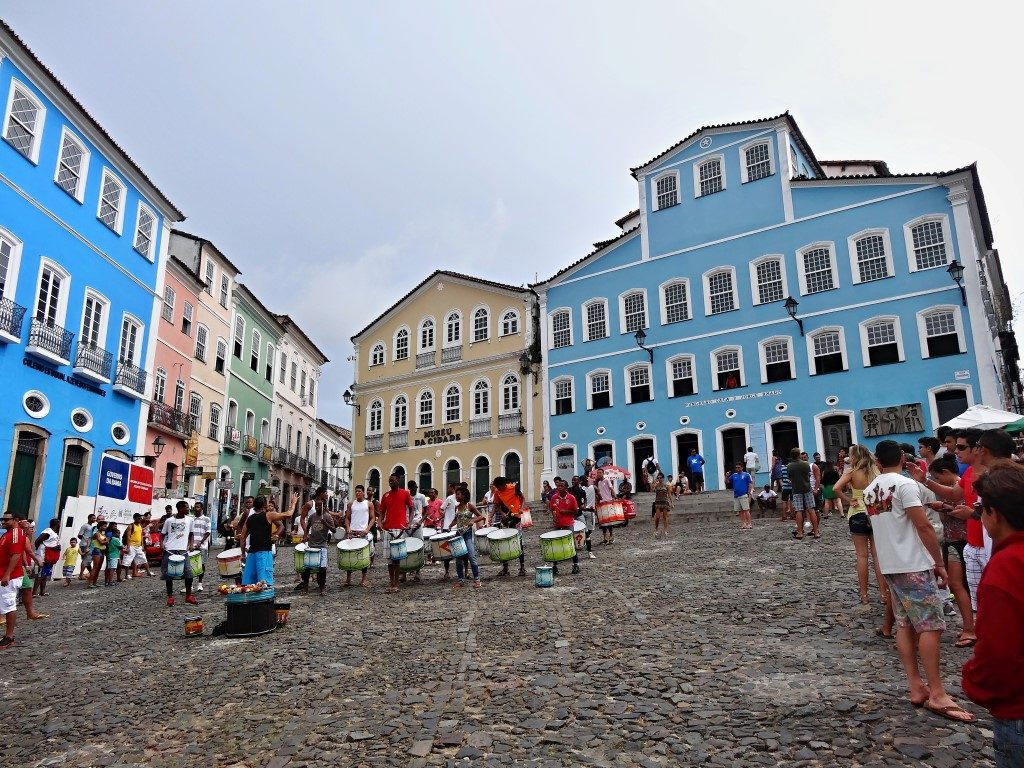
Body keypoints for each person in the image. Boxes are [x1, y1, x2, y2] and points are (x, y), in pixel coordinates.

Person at [866, 439, 974, 723]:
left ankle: (915, 685)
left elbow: (895, 515)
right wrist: (938, 563)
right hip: (913, 561)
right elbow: (922, 524)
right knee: (931, 625)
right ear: (902, 457)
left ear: (878, 462)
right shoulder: (905, 485)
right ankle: (937, 691)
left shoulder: (871, 490)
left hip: (890, 562)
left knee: (905, 624)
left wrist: (929, 499)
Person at [962, 461, 1024, 764]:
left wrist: (974, 682)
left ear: (994, 514)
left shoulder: (1006, 567)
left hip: (1017, 708)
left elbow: (998, 651)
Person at [834, 445, 890, 623]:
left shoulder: (852, 471)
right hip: (874, 512)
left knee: (861, 556)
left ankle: (864, 593)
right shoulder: (876, 470)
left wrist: (848, 500)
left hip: (857, 511)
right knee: (877, 555)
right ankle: (883, 593)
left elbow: (836, 488)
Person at [927, 455, 975, 649]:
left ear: (946, 473)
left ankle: (970, 628)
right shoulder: (948, 490)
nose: (938, 482)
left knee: (957, 584)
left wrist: (944, 507)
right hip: (951, 538)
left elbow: (966, 513)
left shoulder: (960, 488)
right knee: (960, 585)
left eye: (938, 478)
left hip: (961, 539)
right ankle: (969, 625)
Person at [236, 496, 290, 587]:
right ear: (264, 505)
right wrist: (293, 502)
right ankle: (263, 600)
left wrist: (243, 554)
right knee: (264, 583)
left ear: (254, 505)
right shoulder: (268, 515)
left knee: (249, 584)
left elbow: (242, 537)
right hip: (264, 552)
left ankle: (250, 599)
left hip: (251, 552)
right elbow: (289, 514)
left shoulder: (250, 518)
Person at [379, 474, 415, 594]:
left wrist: (409, 522)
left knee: (397, 558)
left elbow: (411, 508)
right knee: (389, 559)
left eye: (393, 480)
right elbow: (382, 512)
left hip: (400, 529)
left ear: (398, 481)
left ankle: (397, 584)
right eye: (389, 480)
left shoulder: (405, 493)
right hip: (388, 529)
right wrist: (379, 522)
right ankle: (392, 583)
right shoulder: (385, 496)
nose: (391, 482)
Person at [297, 487, 336, 595]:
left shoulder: (327, 517)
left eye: (320, 506)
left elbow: (334, 530)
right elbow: (308, 525)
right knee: (307, 568)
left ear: (323, 506)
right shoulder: (312, 516)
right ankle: (305, 587)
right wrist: (305, 535)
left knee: (322, 569)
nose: (318, 507)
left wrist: (326, 524)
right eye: (317, 506)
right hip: (312, 544)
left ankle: (322, 588)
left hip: (322, 545)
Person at [1, 510, 28, 649]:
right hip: (3, 574)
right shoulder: (7, 534)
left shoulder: (16, 533)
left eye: (7, 520)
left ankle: (9, 636)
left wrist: (7, 574)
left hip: (9, 577)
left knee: (9, 604)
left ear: (15, 520)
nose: (3, 522)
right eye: (2, 519)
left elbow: (16, 554)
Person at [162, 501, 196, 606]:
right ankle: (170, 597)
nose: (188, 509)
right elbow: (162, 534)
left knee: (188, 573)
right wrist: (161, 544)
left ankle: (188, 596)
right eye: (186, 508)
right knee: (169, 574)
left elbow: (191, 534)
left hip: (183, 551)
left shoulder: (190, 520)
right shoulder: (169, 521)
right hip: (170, 550)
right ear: (180, 508)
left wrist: (191, 544)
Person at [491, 476, 527, 576]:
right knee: (504, 543)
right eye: (497, 487)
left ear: (504, 484)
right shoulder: (497, 492)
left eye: (500, 487)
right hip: (505, 519)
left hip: (516, 518)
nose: (499, 489)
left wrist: (521, 508)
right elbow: (496, 505)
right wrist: (501, 514)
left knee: (518, 542)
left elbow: (522, 497)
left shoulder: (513, 487)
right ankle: (505, 568)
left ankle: (522, 567)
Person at [452, 487, 485, 588]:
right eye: (456, 494)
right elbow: (456, 519)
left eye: (458, 494)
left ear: (464, 495)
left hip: (467, 535)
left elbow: (481, 516)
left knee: (472, 557)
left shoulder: (469, 506)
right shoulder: (456, 507)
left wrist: (472, 521)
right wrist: (449, 526)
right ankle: (461, 580)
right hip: (458, 534)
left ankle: (477, 579)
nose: (456, 496)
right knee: (458, 559)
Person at [344, 485, 376, 588]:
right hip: (352, 533)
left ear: (363, 493)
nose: (357, 493)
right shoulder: (351, 504)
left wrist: (367, 529)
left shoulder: (369, 504)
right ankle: (348, 579)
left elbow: (372, 518)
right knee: (350, 555)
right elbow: (347, 518)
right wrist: (348, 528)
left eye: (359, 491)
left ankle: (364, 579)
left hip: (363, 533)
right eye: (356, 491)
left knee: (364, 556)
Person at [548, 478, 581, 574]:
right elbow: (552, 509)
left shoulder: (571, 498)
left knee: (571, 544)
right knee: (555, 545)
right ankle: (555, 566)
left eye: (562, 486)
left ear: (566, 487)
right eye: (558, 486)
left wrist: (565, 512)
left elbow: (575, 511)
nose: (560, 487)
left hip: (568, 524)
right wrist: (554, 516)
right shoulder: (554, 497)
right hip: (557, 524)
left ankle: (575, 565)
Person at [787, 449, 818, 539]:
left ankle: (800, 532)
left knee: (799, 511)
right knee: (811, 509)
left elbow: (790, 478)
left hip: (796, 489)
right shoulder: (805, 464)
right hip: (807, 488)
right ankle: (816, 532)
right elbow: (808, 475)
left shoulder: (789, 466)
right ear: (798, 455)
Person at [33, 518, 61, 597]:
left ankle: (42, 591)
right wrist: (41, 549)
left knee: (45, 574)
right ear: (57, 524)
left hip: (50, 556)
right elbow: (37, 541)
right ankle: (34, 592)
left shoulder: (53, 533)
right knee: (40, 573)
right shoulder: (48, 531)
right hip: (44, 555)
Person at [189, 504, 212, 592]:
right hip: (191, 546)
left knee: (201, 565)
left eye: (198, 507)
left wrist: (201, 542)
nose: (196, 508)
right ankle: (190, 584)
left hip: (202, 546)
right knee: (190, 566)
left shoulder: (206, 519)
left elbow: (208, 532)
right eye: (195, 507)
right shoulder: (191, 519)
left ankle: (200, 583)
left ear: (202, 508)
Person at [121, 513, 147, 581]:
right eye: (139, 518)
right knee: (128, 561)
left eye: (140, 518)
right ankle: (127, 575)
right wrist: (128, 547)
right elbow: (128, 536)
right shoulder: (131, 526)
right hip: (132, 545)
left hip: (138, 546)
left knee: (142, 559)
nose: (140, 519)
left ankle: (147, 572)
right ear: (134, 518)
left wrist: (142, 545)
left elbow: (141, 536)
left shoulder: (140, 526)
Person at [728, 463, 754, 530]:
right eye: (736, 467)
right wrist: (726, 476)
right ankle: (743, 523)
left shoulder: (746, 475)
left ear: (742, 468)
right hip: (736, 495)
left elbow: (750, 484)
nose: (737, 469)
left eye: (739, 467)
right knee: (740, 511)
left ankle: (749, 523)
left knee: (746, 510)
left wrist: (749, 493)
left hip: (743, 494)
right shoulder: (734, 475)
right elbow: (727, 481)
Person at [595, 467, 617, 545]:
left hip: (608, 502)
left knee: (609, 521)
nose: (599, 474)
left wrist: (614, 497)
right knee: (603, 522)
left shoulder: (607, 480)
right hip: (601, 503)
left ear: (603, 473)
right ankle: (605, 538)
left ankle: (611, 536)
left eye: (600, 473)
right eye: (598, 473)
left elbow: (611, 489)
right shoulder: (598, 483)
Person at [88, 516, 108, 587]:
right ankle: (90, 583)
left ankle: (94, 582)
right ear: (100, 527)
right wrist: (107, 540)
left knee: (98, 568)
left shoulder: (102, 534)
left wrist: (105, 541)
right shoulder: (97, 534)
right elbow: (101, 542)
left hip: (102, 551)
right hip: (97, 551)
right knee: (95, 567)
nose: (106, 527)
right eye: (104, 526)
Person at [652, 472, 672, 537]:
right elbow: (652, 490)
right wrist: (654, 484)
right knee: (657, 517)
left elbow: (669, 495)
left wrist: (672, 503)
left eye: (661, 478)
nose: (659, 479)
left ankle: (665, 530)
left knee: (665, 516)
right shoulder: (656, 485)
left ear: (663, 478)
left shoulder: (667, 486)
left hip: (665, 502)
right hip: (658, 502)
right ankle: (656, 529)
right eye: (658, 478)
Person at [76, 513, 96, 581]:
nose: (94, 519)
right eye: (93, 518)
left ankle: (89, 574)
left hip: (89, 544)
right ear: (89, 518)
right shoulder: (85, 526)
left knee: (87, 560)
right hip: (84, 545)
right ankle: (81, 575)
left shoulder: (92, 527)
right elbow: (79, 535)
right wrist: (85, 539)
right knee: (86, 560)